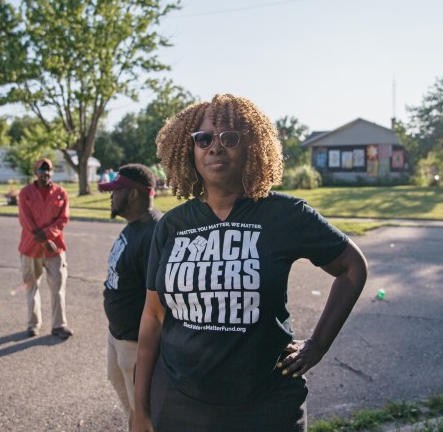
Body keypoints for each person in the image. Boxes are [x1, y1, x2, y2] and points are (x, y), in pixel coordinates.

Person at [133, 94, 368, 431]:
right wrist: (140, 409)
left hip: (266, 408)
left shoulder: (285, 214)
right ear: (190, 150)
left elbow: (352, 268)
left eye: (229, 138)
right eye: (203, 139)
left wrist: (317, 345)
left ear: (251, 148)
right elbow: (154, 316)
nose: (215, 147)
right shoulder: (172, 225)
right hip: (179, 405)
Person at [98, 164, 162, 430]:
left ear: (133, 194)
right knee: (131, 409)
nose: (111, 196)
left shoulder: (153, 234)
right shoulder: (135, 225)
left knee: (144, 415)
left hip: (137, 346)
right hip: (119, 336)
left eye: (116, 191)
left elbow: (161, 305)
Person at [18, 157, 73, 339]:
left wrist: (48, 234)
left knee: (58, 285)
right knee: (31, 287)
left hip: (55, 249)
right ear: (36, 172)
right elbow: (25, 220)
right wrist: (42, 238)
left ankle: (59, 325)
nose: (45, 173)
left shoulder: (60, 193)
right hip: (30, 248)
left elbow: (63, 219)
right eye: (41, 170)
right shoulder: (25, 193)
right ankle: (33, 325)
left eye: (48, 170)